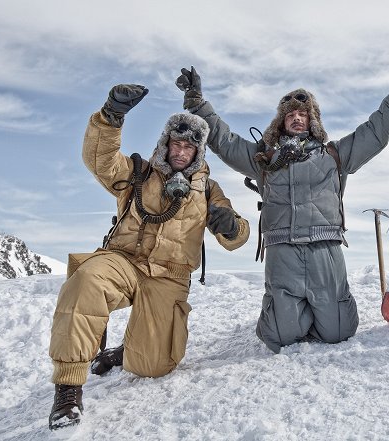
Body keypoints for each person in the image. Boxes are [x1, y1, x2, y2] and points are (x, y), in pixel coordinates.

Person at [175, 58, 389, 354]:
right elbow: (225, 142)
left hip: (325, 247)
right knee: (279, 336)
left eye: (303, 113)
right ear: (281, 121)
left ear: (312, 120)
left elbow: (375, 132)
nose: (297, 118)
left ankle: (315, 309)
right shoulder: (263, 159)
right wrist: (198, 104)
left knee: (339, 331)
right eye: (290, 114)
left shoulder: (335, 155)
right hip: (282, 249)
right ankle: (288, 310)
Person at [48, 84, 250, 430]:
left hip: (170, 276)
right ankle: (68, 390)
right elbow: (100, 160)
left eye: (189, 146)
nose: (181, 151)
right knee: (86, 282)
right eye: (176, 143)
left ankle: (129, 351)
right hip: (123, 259)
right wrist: (110, 118)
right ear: (166, 143)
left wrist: (231, 226)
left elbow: (238, 236)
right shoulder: (138, 172)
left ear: (198, 151)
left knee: (154, 366)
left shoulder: (209, 189)